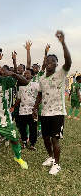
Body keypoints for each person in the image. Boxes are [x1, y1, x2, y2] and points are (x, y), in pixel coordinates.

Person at [32, 30, 72, 175]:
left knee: (55, 139)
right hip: (45, 112)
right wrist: (35, 108)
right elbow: (40, 94)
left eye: (52, 61)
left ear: (56, 64)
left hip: (57, 112)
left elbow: (68, 62)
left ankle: (57, 164)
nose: (49, 63)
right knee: (45, 137)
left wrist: (63, 44)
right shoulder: (42, 78)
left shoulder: (61, 74)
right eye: (47, 61)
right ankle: (50, 157)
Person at [10, 68, 39, 150]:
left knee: (33, 128)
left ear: (32, 75)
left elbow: (40, 96)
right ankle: (24, 142)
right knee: (22, 128)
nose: (25, 75)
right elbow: (19, 98)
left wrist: (36, 108)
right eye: (24, 74)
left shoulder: (35, 85)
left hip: (32, 111)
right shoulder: (20, 86)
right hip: (22, 110)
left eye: (28, 73)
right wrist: (13, 106)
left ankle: (32, 144)